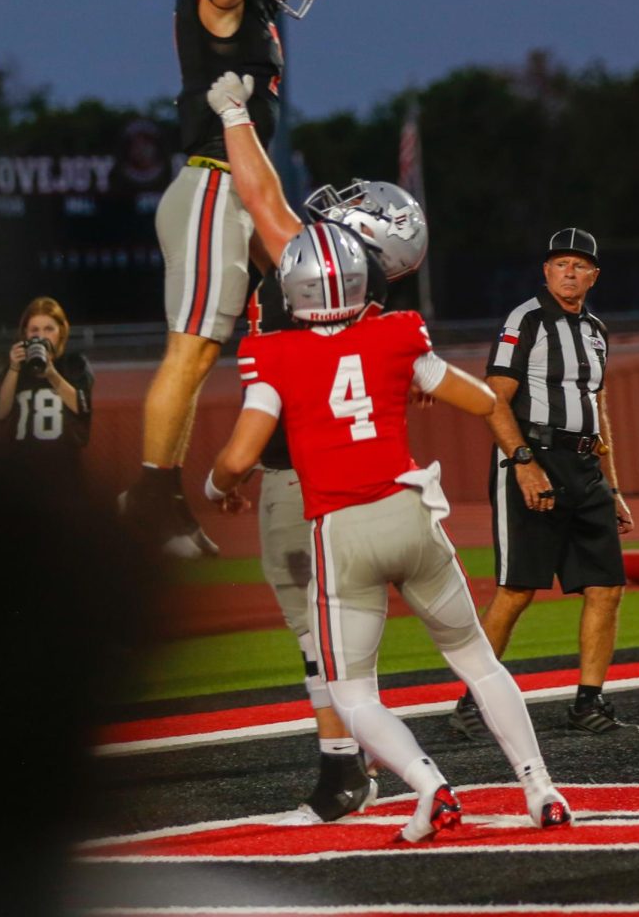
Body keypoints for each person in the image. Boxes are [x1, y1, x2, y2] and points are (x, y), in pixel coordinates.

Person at [207, 222, 572, 841]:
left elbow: (238, 459)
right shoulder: (397, 336)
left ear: (292, 291)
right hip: (410, 515)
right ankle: (541, 787)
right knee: (478, 662)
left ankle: (429, 785)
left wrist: (217, 488)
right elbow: (484, 400)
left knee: (351, 694)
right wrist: (408, 384)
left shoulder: (273, 353)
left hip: (341, 532)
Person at [120, 0, 346, 559]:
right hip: (214, 184)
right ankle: (149, 495)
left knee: (308, 305)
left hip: (244, 191)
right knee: (188, 350)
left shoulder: (248, 10)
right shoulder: (219, 0)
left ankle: (277, 459)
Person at [208, 70, 432, 822]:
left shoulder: (322, 272)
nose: (340, 210)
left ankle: (346, 769)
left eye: (358, 212)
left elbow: (261, 198)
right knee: (342, 629)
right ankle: (357, 758)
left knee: (315, 628)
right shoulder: (376, 306)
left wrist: (234, 114)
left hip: (304, 473)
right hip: (353, 473)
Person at [449, 228, 638, 742]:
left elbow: (597, 407)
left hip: (584, 466)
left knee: (606, 587)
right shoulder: (526, 319)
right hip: (535, 455)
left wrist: (612, 485)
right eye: (560, 264)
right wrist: (525, 462)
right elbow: (495, 396)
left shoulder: (596, 329)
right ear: (545, 272)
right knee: (517, 589)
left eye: (579, 266)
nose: (569, 273)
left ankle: (588, 701)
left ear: (594, 276)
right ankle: (473, 701)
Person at [0, 296, 93, 473]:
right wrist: (14, 369)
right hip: (22, 466)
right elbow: (1, 413)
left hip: (64, 466)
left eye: (49, 329)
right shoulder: (15, 369)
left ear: (61, 331)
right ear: (25, 334)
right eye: (34, 330)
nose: (41, 336)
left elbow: (83, 407)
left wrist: (52, 375)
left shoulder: (74, 364)